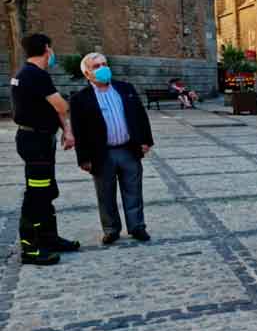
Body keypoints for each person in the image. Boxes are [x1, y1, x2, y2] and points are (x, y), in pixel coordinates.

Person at [10, 33, 80, 265]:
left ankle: (49, 238)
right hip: (35, 142)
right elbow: (61, 105)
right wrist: (67, 106)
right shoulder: (35, 75)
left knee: (47, 191)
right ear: (47, 49)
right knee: (36, 195)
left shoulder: (27, 74)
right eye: (52, 49)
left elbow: (53, 110)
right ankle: (30, 249)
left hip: (37, 140)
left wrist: (66, 130)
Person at [70, 53, 154, 245]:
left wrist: (145, 140)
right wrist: (83, 158)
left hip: (128, 149)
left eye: (104, 64)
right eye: (96, 66)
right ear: (87, 73)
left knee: (133, 190)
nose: (102, 68)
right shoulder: (80, 99)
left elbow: (140, 116)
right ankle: (111, 229)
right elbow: (79, 131)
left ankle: (137, 226)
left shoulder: (125, 89)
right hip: (101, 153)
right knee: (105, 193)